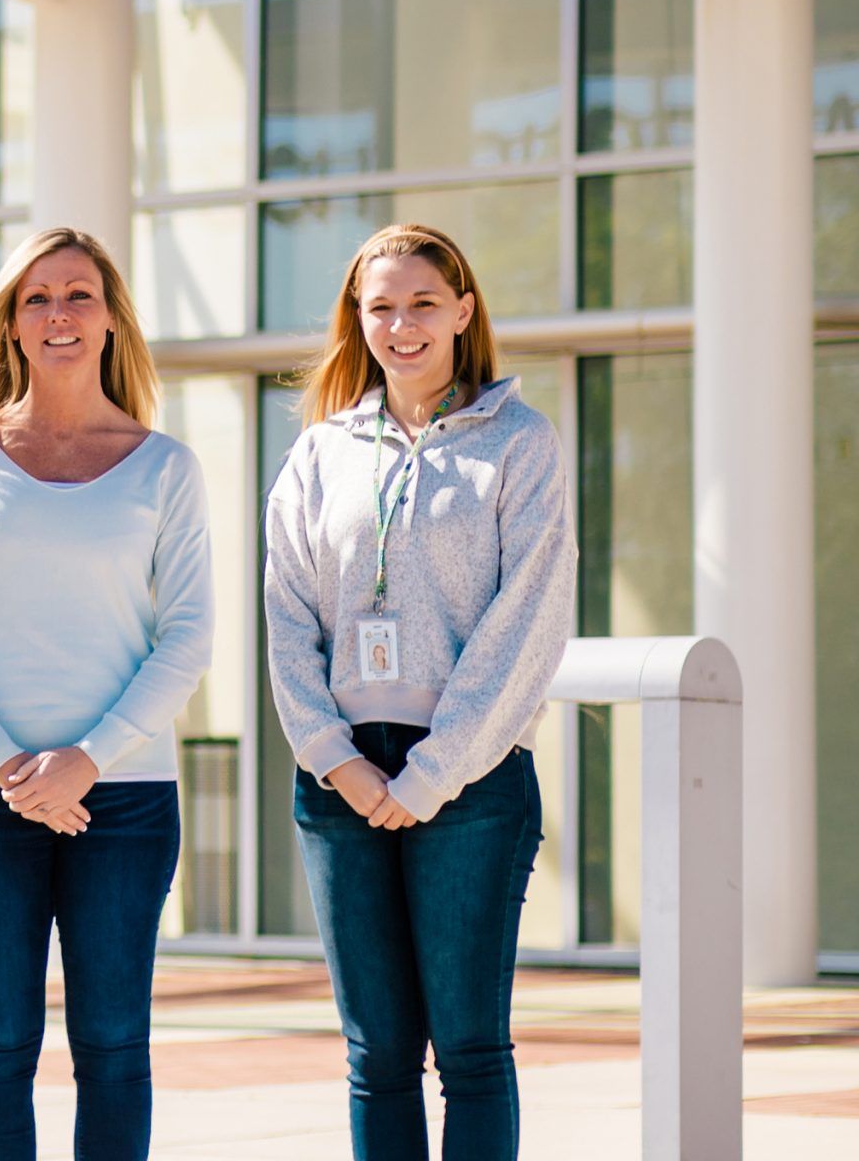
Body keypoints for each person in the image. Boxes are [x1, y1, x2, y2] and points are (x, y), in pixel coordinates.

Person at [0, 227, 214, 1161]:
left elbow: (188, 636)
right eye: (37, 298)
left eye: (79, 294)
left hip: (124, 799)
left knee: (114, 1047)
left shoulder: (166, 468)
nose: (59, 314)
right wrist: (8, 762)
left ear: (112, 317)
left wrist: (86, 761)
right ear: (11, 323)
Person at [264, 223, 575, 1160]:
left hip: (471, 784)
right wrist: (336, 761)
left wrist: (430, 774)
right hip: (342, 783)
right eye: (381, 307)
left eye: (423, 304)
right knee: (378, 1057)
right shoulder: (321, 454)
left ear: (464, 312)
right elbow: (286, 616)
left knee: (471, 1052)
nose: (402, 325)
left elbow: (528, 624)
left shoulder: (519, 444)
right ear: (357, 323)